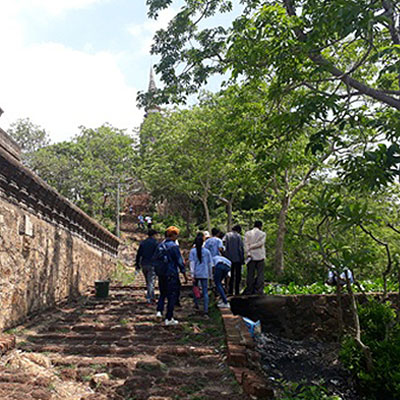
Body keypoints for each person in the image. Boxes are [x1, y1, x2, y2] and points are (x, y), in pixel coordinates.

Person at [155, 226, 188, 326]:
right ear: (172, 235)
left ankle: (159, 311)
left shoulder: (160, 245)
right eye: (176, 235)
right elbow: (179, 262)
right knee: (171, 296)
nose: (177, 237)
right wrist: (184, 274)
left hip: (161, 274)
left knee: (162, 293)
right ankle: (169, 318)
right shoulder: (173, 246)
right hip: (171, 273)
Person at [189, 232, 213, 317]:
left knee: (195, 290)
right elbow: (210, 264)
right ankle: (205, 310)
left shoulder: (192, 251)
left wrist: (192, 275)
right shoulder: (207, 252)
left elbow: (192, 263)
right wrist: (211, 276)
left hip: (196, 273)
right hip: (205, 273)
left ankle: (196, 306)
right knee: (205, 292)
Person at [135, 229, 159, 304]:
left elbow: (138, 254)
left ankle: (151, 296)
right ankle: (150, 298)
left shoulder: (143, 243)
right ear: (154, 235)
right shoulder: (155, 243)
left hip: (144, 264)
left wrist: (137, 265)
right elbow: (158, 254)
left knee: (148, 281)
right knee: (151, 282)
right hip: (152, 264)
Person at [244, 221, 266, 295]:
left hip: (251, 256)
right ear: (260, 226)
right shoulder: (263, 234)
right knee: (260, 274)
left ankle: (249, 290)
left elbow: (246, 245)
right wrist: (253, 246)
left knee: (250, 274)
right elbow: (261, 243)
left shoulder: (247, 233)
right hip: (260, 256)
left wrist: (248, 251)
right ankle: (259, 290)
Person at [223, 225, 244, 296]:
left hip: (228, 259)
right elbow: (240, 248)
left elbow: (224, 246)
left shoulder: (227, 235)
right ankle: (237, 291)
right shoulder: (238, 236)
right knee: (238, 275)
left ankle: (230, 290)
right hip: (237, 259)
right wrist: (242, 258)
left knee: (229, 275)